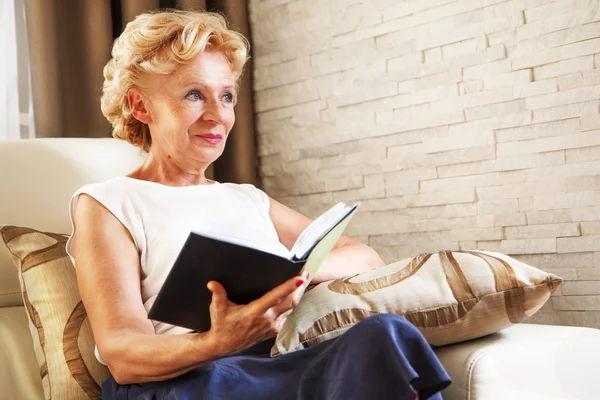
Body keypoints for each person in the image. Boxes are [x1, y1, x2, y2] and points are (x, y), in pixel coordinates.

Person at [66, 9, 451, 400]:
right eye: (195, 95)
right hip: (186, 380)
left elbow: (363, 257)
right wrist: (216, 342)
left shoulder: (246, 198)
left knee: (385, 334)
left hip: (271, 364)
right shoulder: (107, 202)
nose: (218, 116)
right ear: (141, 106)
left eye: (227, 96)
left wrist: (293, 276)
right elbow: (122, 353)